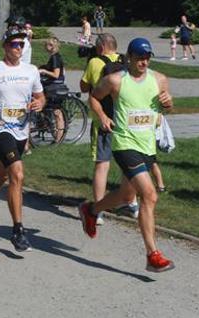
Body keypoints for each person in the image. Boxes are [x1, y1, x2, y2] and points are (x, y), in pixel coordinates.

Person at [79, 37, 175, 273]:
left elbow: (167, 106)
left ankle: (90, 210)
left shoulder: (159, 79)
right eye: (139, 57)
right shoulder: (115, 80)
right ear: (129, 58)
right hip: (124, 144)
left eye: (147, 57)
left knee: (124, 195)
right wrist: (102, 116)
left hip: (147, 145)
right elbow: (93, 96)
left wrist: (169, 102)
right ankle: (152, 255)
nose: (143, 62)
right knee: (149, 196)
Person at [0, 31, 45, 252]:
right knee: (17, 174)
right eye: (14, 44)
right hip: (0, 130)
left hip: (21, 131)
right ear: (5, 46)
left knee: (2, 174)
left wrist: (39, 103)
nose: (18, 48)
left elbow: (40, 96)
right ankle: (18, 230)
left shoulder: (31, 71)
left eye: (22, 44)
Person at [79, 33, 133, 223]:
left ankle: (98, 209)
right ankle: (129, 202)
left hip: (103, 120)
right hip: (124, 120)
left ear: (101, 47)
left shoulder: (95, 62)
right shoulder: (126, 60)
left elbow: (84, 87)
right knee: (128, 163)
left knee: (102, 164)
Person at [37, 37, 67, 143]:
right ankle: (51, 129)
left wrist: (44, 71)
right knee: (51, 110)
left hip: (54, 87)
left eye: (47, 45)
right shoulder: (54, 57)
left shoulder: (55, 58)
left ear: (52, 46)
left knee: (57, 112)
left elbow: (56, 74)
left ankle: (59, 138)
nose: (45, 47)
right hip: (51, 87)